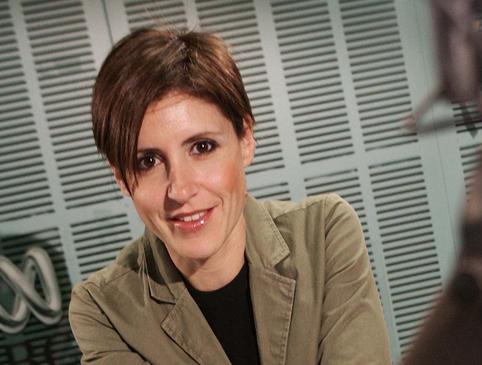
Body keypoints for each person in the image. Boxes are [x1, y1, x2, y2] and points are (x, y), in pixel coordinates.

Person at [68, 27, 390, 364]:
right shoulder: (103, 309)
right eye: (147, 161)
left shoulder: (323, 234)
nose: (180, 189)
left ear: (246, 140)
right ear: (121, 178)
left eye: (202, 147)